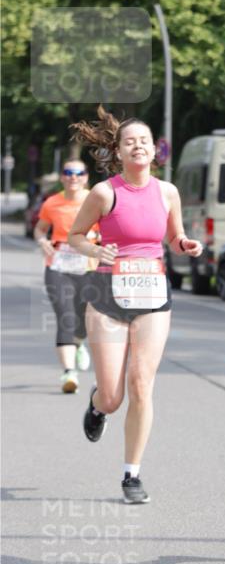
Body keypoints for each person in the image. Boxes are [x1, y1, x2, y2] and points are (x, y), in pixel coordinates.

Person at [67, 107, 202, 504]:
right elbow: (75, 237)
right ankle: (97, 405)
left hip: (152, 295)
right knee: (113, 396)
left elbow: (175, 237)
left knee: (142, 383)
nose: (138, 146)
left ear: (155, 150)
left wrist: (185, 245)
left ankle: (132, 474)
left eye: (144, 141)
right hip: (108, 296)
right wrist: (97, 249)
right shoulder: (104, 193)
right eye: (130, 142)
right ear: (119, 152)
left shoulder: (167, 192)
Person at [34, 160, 97, 393]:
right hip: (58, 266)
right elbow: (40, 228)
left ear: (86, 177)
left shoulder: (95, 200)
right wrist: (42, 241)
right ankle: (69, 373)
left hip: (88, 267)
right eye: (68, 173)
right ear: (62, 177)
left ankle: (79, 343)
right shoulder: (52, 203)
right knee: (65, 316)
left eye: (78, 173)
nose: (73, 177)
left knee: (83, 319)